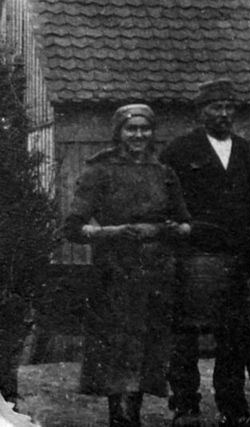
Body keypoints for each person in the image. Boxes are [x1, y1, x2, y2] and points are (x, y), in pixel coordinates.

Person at [66, 104, 190, 427]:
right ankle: (121, 419)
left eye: (144, 129)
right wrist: (113, 232)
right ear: (118, 132)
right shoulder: (99, 171)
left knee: (147, 348)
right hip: (114, 273)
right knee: (118, 348)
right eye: (131, 128)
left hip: (156, 273)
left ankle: (131, 414)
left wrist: (167, 229)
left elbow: (184, 222)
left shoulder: (164, 173)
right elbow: (73, 228)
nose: (138, 135)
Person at [163, 79, 250, 427]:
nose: (224, 114)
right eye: (215, 107)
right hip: (194, 256)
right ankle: (185, 405)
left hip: (238, 258)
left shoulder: (246, 151)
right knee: (186, 335)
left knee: (234, 335)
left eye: (228, 107)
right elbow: (166, 200)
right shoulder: (179, 151)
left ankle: (232, 406)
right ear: (200, 112)